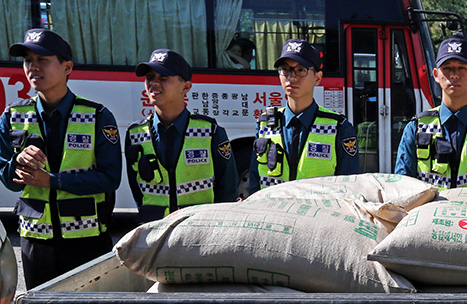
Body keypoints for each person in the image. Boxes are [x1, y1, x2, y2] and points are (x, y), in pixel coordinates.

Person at [0, 29, 122, 289]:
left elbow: (110, 178)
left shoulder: (98, 116)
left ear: (67, 67)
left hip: (86, 239)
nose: (33, 67)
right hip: (35, 241)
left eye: (42, 60)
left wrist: (52, 181)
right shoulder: (12, 116)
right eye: (28, 61)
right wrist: (18, 161)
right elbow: (8, 181)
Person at [125, 49, 239, 224]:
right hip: (154, 230)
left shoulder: (211, 131)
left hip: (198, 231)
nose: (154, 83)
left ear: (185, 87)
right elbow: (137, 189)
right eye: (149, 77)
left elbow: (227, 189)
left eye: (163, 78)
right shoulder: (135, 134)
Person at [394, 37, 467, 189]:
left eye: (462, 67)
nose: (454, 75)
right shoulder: (416, 127)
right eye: (447, 68)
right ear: (436, 75)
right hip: (428, 212)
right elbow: (403, 185)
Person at [249, 39, 359, 194]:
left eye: (301, 70)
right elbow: (254, 181)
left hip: (317, 216)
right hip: (273, 214)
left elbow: (350, 186)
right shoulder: (265, 123)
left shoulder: (338, 127)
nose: (291, 77)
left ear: (318, 78)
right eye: (285, 69)